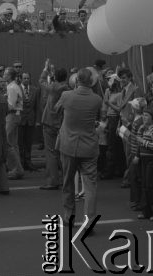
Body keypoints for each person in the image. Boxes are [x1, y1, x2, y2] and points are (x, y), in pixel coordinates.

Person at [55, 68, 102, 226]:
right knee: (90, 186)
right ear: (91, 82)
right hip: (89, 146)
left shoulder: (67, 95)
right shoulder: (96, 99)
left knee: (68, 182)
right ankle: (89, 223)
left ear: (76, 81)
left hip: (68, 145)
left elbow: (55, 110)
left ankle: (69, 216)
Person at [39, 60, 70, 190]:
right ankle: (65, 178)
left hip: (49, 122)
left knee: (51, 152)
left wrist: (45, 69)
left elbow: (41, 81)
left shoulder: (53, 87)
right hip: (62, 123)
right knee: (62, 153)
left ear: (56, 77)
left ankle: (53, 180)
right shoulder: (68, 88)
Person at [4, 66, 24, 180]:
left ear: (10, 76)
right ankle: (17, 168)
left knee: (8, 144)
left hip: (11, 116)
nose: (3, 76)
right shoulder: (14, 86)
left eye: (5, 74)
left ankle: (16, 169)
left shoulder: (11, 87)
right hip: (16, 116)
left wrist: (2, 101)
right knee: (14, 144)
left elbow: (10, 106)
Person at [18, 72, 40, 171]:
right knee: (20, 143)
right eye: (24, 78)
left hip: (30, 120)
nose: (26, 80)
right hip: (20, 120)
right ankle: (21, 163)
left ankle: (28, 162)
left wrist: (36, 120)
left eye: (28, 78)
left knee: (28, 143)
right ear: (21, 79)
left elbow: (36, 107)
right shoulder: (17, 89)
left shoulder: (35, 90)